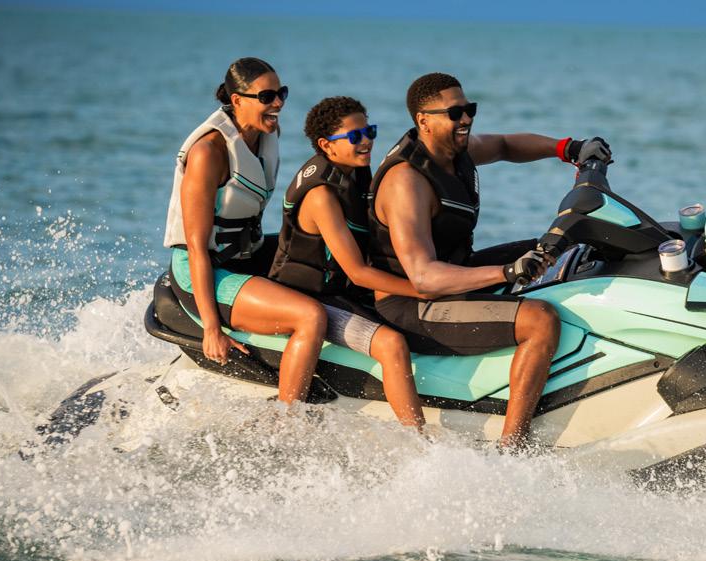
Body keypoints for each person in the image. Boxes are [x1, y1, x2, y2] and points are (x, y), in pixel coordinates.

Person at [368, 72, 613, 448]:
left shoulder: (453, 151)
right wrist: (505, 272)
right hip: (411, 304)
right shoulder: (407, 182)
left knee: (557, 248)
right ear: (424, 121)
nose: (465, 118)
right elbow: (424, 277)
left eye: (469, 109)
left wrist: (569, 148)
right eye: (455, 113)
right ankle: (513, 445)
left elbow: (503, 145)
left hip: (454, 274)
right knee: (540, 320)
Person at [163, 57, 327, 405]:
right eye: (267, 96)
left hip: (244, 254)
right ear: (237, 100)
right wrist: (212, 328)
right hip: (203, 271)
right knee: (310, 317)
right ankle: (288, 420)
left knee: (326, 252)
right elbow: (195, 246)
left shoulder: (266, 134)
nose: (278, 103)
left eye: (282, 93)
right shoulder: (209, 152)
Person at [269, 97, 426, 428]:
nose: (366, 141)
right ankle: (419, 439)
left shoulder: (354, 172)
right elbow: (358, 272)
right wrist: (423, 289)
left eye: (370, 131)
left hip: (341, 293)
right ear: (327, 145)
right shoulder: (321, 196)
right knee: (391, 344)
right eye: (355, 136)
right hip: (310, 298)